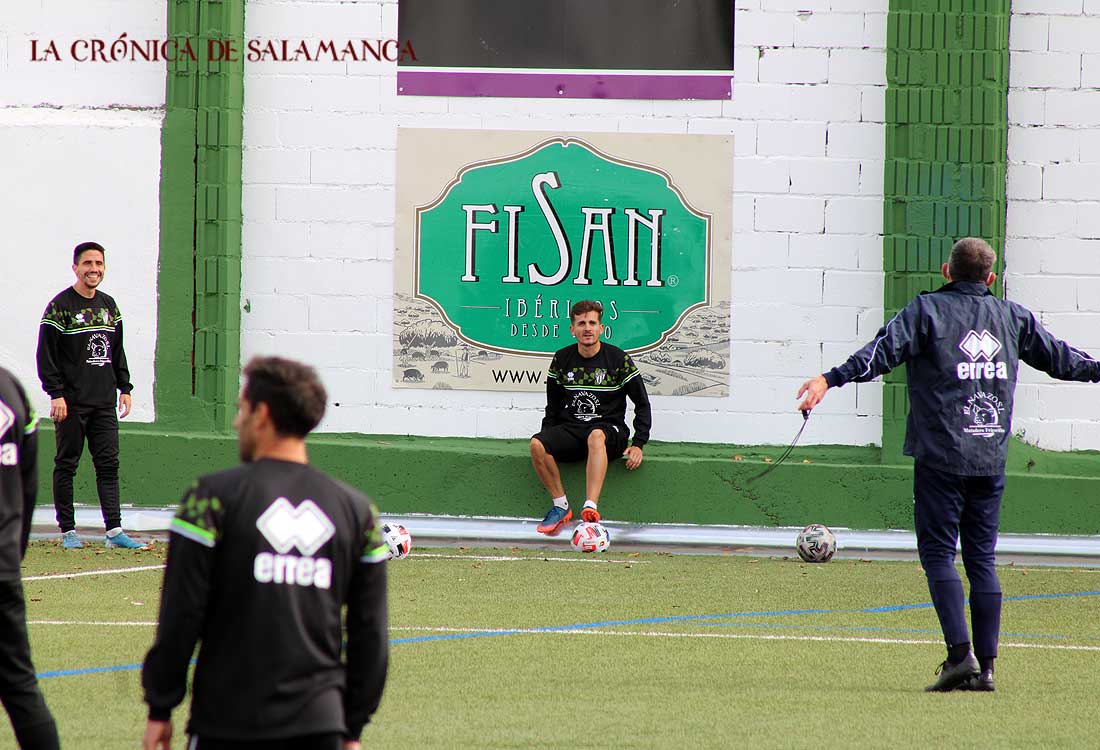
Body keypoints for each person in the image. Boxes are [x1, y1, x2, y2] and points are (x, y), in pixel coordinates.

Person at [797, 237, 1100, 693]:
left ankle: (961, 657)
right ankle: (989, 669)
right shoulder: (1013, 316)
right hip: (989, 457)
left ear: (946, 271)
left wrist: (828, 379)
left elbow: (878, 355)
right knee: (982, 559)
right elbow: (1062, 361)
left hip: (941, 456)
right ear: (990, 278)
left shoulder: (925, 312)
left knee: (938, 555)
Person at [141, 356, 390, 750]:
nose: (238, 422)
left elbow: (181, 615)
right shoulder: (358, 512)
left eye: (242, 409)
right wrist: (352, 727)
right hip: (321, 727)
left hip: (226, 723)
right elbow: (370, 634)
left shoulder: (209, 499)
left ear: (262, 414)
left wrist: (160, 706)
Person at [36, 241, 144, 549]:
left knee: (108, 465)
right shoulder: (60, 307)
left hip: (104, 403)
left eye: (98, 264)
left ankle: (114, 532)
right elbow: (46, 355)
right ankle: (68, 532)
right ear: (76, 268)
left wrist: (125, 387)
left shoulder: (109, 306)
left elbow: (117, 351)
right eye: (87, 264)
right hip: (70, 404)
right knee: (67, 464)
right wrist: (55, 394)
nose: (93, 269)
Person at [531, 300, 652, 535]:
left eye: (592, 323)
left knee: (596, 435)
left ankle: (590, 509)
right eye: (581, 323)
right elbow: (553, 406)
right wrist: (549, 438)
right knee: (537, 444)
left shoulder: (618, 360)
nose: (587, 328)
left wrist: (638, 443)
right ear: (572, 329)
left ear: (601, 328)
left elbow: (642, 404)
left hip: (609, 431)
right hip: (573, 428)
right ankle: (560, 506)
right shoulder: (561, 359)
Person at [0, 366, 61, 749]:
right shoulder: (11, 389)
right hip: (3, 565)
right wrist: (12, 551)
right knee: (20, 686)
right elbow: (29, 483)